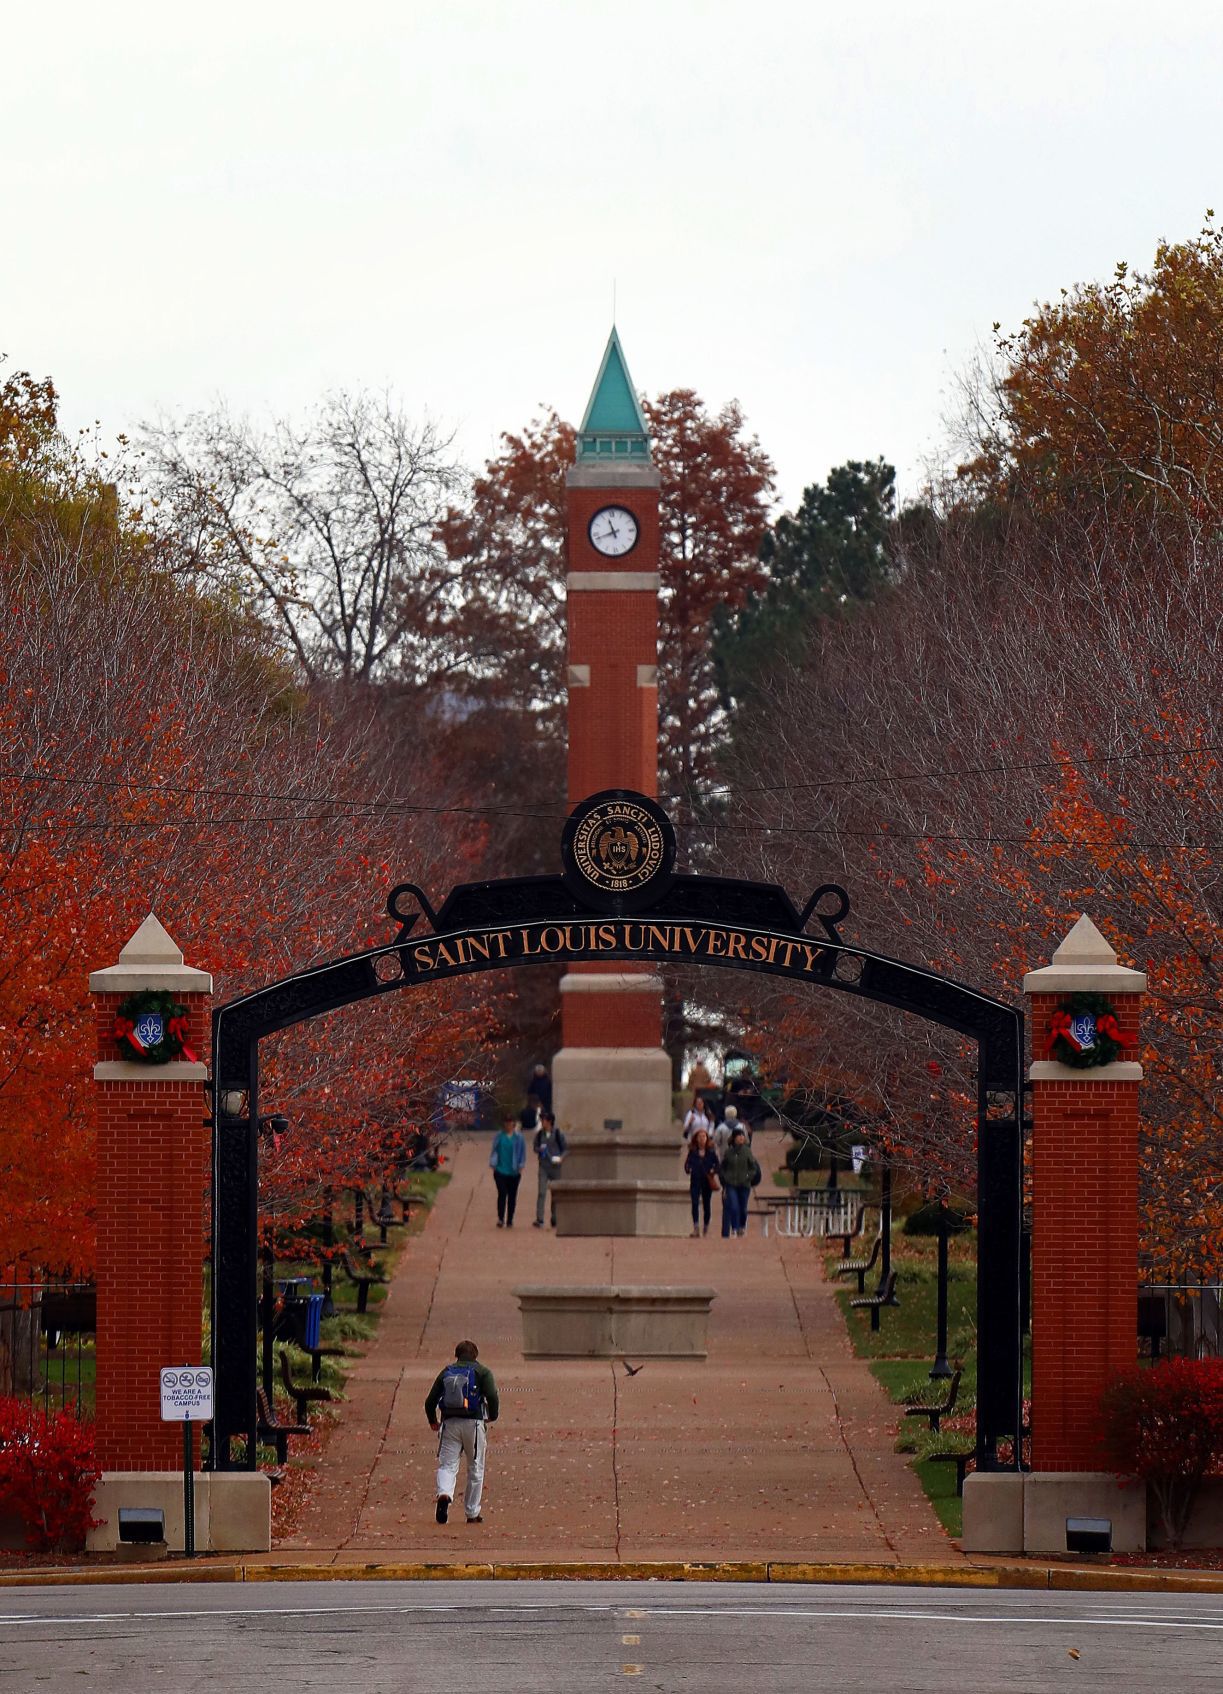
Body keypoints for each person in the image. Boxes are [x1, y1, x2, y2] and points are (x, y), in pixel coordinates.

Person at [425, 1338, 499, 1525]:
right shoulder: (483, 1372)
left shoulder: (446, 1372)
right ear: (475, 1355)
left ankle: (444, 1494)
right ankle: (472, 1512)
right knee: (475, 1468)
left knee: (447, 1465)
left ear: (457, 1355)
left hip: (449, 1424)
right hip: (473, 1424)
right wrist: (492, 1415)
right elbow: (492, 1395)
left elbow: (430, 1401)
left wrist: (433, 1421)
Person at [719, 1124, 762, 1238]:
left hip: (744, 1184)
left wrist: (748, 1176)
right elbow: (723, 1167)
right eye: (739, 1136)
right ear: (734, 1138)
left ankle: (742, 1226)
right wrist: (725, 1178)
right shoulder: (729, 1152)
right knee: (734, 1206)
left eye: (742, 1136)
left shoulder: (747, 1151)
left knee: (742, 1207)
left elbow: (753, 1167)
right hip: (731, 1184)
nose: (741, 1138)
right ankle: (734, 1227)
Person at [532, 1108, 567, 1227]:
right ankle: (540, 1218)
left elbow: (565, 1149)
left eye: (544, 1120)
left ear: (550, 1121)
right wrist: (539, 1150)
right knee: (541, 1192)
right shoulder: (539, 1134)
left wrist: (561, 1158)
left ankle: (555, 1217)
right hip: (544, 1166)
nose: (542, 1122)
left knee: (556, 1194)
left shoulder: (557, 1134)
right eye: (542, 1119)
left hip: (556, 1167)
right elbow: (535, 1147)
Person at [489, 1117, 526, 1227]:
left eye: (510, 1123)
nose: (508, 1125)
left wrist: (521, 1166)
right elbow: (494, 1149)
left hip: (514, 1171)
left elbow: (522, 1152)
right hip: (500, 1170)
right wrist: (493, 1163)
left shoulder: (519, 1138)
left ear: (513, 1124)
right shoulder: (499, 1136)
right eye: (506, 1123)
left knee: (512, 1196)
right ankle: (500, 1218)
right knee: (502, 1193)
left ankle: (510, 1219)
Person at [683, 1127, 720, 1237]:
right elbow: (687, 1164)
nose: (702, 1139)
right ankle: (696, 1227)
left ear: (707, 1138)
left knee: (706, 1204)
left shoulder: (711, 1152)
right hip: (695, 1180)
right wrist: (688, 1168)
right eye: (700, 1136)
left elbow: (718, 1165)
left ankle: (706, 1226)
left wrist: (713, 1170)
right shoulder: (693, 1151)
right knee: (695, 1203)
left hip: (706, 1180)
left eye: (704, 1136)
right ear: (696, 1139)